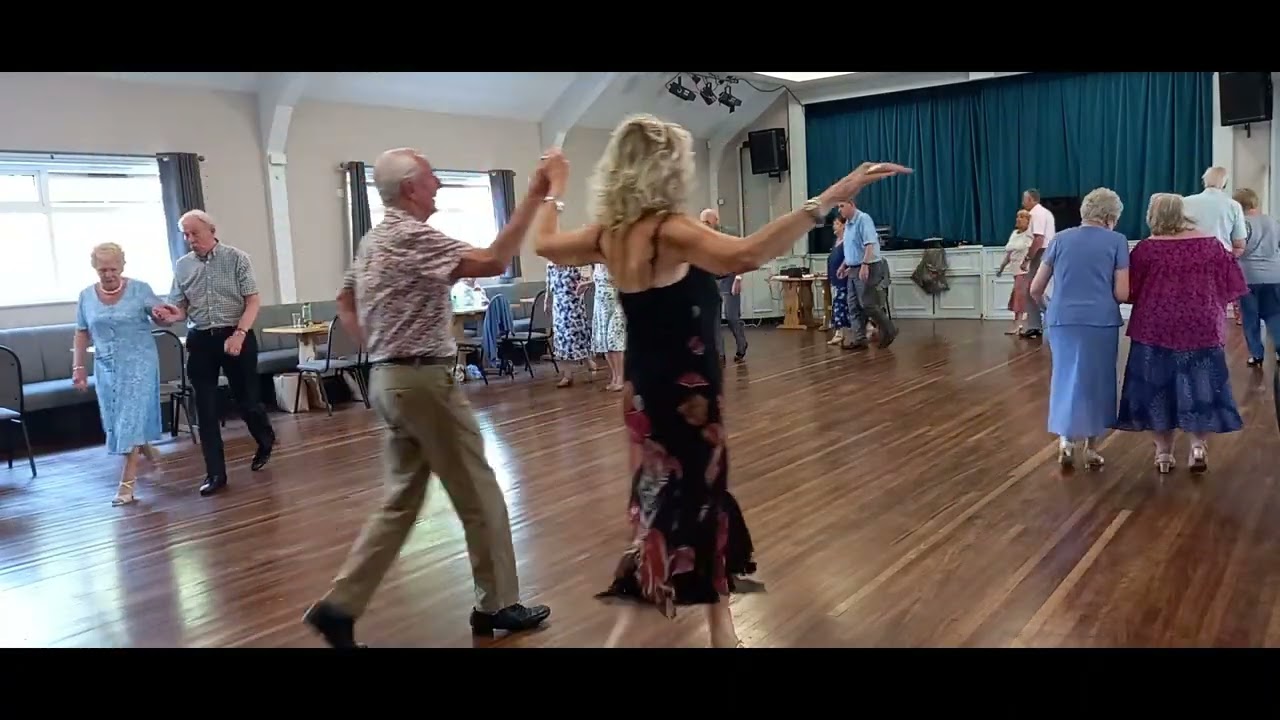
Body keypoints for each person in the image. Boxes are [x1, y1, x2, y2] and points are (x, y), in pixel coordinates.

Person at [530, 113, 910, 648]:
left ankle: (720, 625)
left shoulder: (609, 235)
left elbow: (544, 242)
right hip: (686, 401)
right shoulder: (670, 231)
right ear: (664, 170)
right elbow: (750, 254)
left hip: (644, 397)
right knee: (682, 513)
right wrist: (829, 197)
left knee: (686, 504)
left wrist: (552, 191)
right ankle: (651, 630)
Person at [303, 147, 552, 648]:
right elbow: (495, 260)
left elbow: (345, 300)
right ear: (412, 187)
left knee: (401, 501)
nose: (439, 184)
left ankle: (339, 607)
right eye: (433, 177)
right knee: (480, 492)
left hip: (389, 381)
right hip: (422, 382)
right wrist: (533, 196)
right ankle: (497, 606)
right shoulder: (410, 234)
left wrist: (379, 348)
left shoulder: (373, 239)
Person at [1113, 193, 1248, 473]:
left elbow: (1130, 292)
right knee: (1201, 385)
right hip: (1202, 324)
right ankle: (1198, 446)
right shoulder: (1211, 245)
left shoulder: (1145, 250)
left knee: (1156, 389)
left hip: (1155, 326)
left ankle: (1164, 454)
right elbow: (1232, 281)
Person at [154, 210, 275, 497]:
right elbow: (180, 306)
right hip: (201, 340)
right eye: (185, 234)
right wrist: (170, 316)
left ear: (211, 230)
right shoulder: (183, 266)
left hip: (236, 334)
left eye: (195, 233)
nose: (190, 239)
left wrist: (239, 334)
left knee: (247, 402)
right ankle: (215, 474)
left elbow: (253, 301)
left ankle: (265, 437)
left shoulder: (236, 258)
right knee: (205, 410)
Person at [1029, 188, 1130, 468]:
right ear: (1111, 216)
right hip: (1100, 319)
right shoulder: (1117, 242)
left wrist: (1050, 308)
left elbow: (1035, 288)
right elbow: (1122, 293)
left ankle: (1065, 441)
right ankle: (1092, 448)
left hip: (1063, 319)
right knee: (1097, 381)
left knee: (1065, 377)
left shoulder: (1060, 239)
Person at [71, 243, 174, 505]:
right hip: (106, 366)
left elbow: (161, 316)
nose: (108, 274)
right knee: (115, 419)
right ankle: (145, 447)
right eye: (102, 269)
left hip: (139, 363)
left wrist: (163, 315)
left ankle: (126, 485)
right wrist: (78, 367)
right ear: (95, 268)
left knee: (130, 419)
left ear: (123, 266)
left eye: (113, 268)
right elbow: (82, 331)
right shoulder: (86, 296)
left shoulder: (140, 289)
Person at [837, 198, 897, 349]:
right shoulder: (849, 225)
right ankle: (859, 338)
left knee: (868, 304)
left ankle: (890, 329)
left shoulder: (863, 219)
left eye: (842, 206)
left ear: (852, 204)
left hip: (868, 266)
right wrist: (844, 265)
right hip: (853, 268)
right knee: (853, 305)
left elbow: (869, 244)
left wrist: (864, 264)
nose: (839, 210)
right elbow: (852, 248)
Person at [1232, 188, 1280, 367]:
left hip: (1248, 276)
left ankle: (1256, 355)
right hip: (1275, 275)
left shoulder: (1239, 223)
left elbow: (1237, 248)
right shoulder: (1273, 221)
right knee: (1275, 315)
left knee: (1250, 317)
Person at [699, 210, 749, 363]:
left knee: (731, 316)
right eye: (703, 223)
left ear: (716, 220)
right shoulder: (701, 237)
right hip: (711, 280)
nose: (705, 225)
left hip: (729, 278)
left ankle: (742, 344)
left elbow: (742, 256)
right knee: (713, 319)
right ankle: (719, 354)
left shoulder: (729, 234)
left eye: (708, 222)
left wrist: (739, 278)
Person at [545, 261, 594, 387]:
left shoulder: (575, 264)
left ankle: (589, 363)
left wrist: (581, 291)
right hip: (559, 307)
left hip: (574, 306)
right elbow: (548, 285)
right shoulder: (550, 266)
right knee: (561, 341)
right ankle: (567, 375)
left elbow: (586, 282)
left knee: (577, 338)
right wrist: (547, 301)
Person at [1018, 189, 1058, 339]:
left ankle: (1051, 317)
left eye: (1024, 199)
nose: (1023, 202)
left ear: (1031, 199)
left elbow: (1039, 239)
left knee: (1034, 290)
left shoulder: (1037, 214)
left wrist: (1028, 258)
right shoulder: (1044, 213)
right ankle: (1035, 325)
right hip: (1044, 252)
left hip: (1041, 252)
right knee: (1034, 290)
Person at [590, 262, 627, 390]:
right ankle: (614, 377)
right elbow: (597, 280)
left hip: (615, 305)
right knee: (605, 343)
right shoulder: (596, 264)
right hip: (600, 306)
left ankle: (620, 378)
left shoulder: (616, 262)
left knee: (614, 341)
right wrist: (587, 284)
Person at [997, 209, 1035, 335]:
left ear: (1028, 221)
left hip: (1024, 271)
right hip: (1015, 271)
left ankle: (1022, 325)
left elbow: (1033, 251)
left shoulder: (1029, 235)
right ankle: (1018, 325)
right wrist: (1001, 267)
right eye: (1017, 216)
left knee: (1020, 298)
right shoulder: (1014, 234)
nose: (1018, 219)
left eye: (1022, 217)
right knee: (1017, 298)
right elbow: (1009, 253)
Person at [827, 215, 850, 345]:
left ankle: (839, 332)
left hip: (843, 279)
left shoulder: (847, 241)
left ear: (843, 226)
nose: (834, 226)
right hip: (835, 279)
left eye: (836, 224)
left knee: (840, 305)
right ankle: (868, 326)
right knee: (841, 305)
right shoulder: (836, 241)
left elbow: (849, 258)